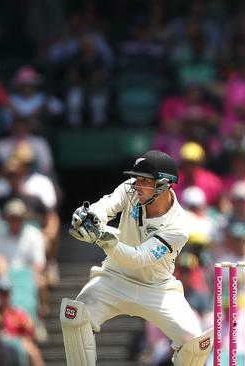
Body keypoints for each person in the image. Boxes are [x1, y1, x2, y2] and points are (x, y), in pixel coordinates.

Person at [61, 150, 212, 365]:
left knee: (195, 342)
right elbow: (107, 206)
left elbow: (138, 258)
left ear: (163, 184)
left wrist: (103, 238)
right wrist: (90, 218)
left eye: (144, 181)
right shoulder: (130, 190)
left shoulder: (178, 227)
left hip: (157, 289)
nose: (136, 185)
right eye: (136, 179)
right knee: (74, 316)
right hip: (113, 278)